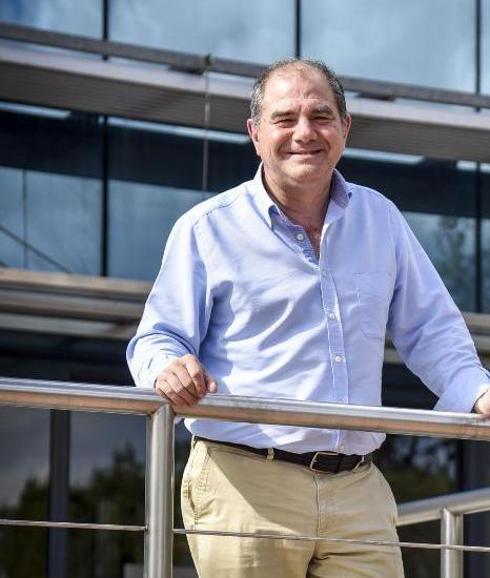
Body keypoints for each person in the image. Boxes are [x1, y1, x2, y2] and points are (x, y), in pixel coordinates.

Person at [127, 58, 490, 578]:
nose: (305, 133)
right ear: (255, 134)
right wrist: (169, 366)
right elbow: (157, 337)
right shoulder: (207, 229)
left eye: (321, 116)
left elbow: (431, 328)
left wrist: (478, 391)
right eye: (285, 119)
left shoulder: (380, 218)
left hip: (359, 487)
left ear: (345, 128)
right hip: (247, 484)